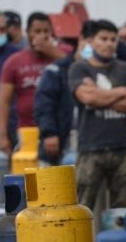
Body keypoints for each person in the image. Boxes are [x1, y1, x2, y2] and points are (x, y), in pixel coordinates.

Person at [68, 19, 126, 208]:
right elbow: (87, 98)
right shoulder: (79, 67)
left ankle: (115, 238)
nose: (109, 43)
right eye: (103, 38)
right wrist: (121, 92)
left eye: (113, 39)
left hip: (123, 148)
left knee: (120, 207)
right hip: (91, 149)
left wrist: (99, 96)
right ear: (91, 41)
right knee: (83, 205)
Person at [0, 12, 65, 153]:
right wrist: (2, 136)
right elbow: (3, 101)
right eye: (37, 31)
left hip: (60, 130)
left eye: (46, 31)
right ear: (27, 33)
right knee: (30, 172)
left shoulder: (63, 54)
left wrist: (54, 53)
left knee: (58, 174)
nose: (42, 35)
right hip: (27, 132)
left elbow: (78, 71)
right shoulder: (14, 61)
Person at [35, 21, 94, 165]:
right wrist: (49, 133)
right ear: (81, 39)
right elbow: (44, 106)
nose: (93, 47)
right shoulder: (56, 70)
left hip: (90, 147)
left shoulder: (102, 71)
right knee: (50, 185)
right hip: (58, 144)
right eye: (89, 41)